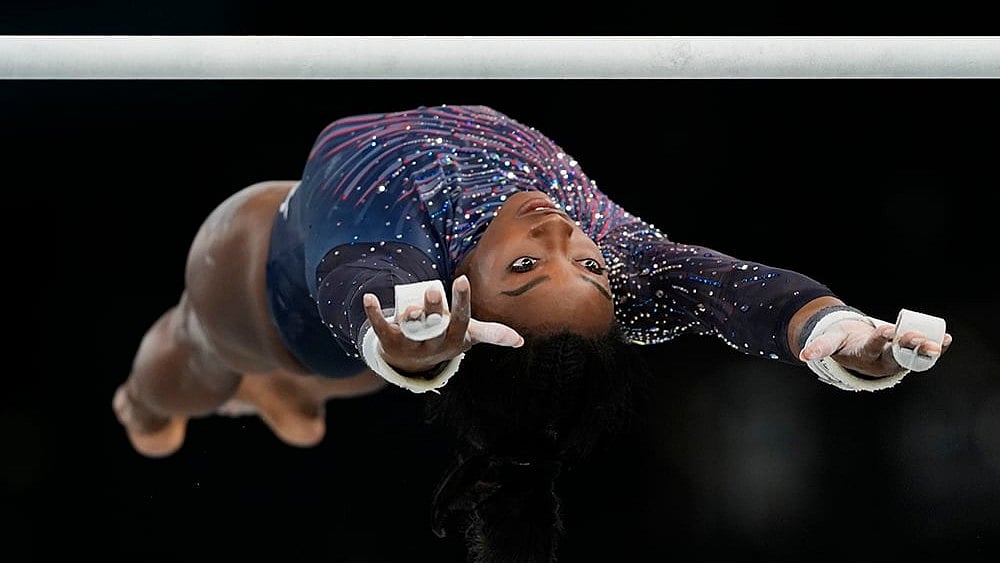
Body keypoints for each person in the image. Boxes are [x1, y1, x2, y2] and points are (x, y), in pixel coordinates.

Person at [112, 104, 952, 563]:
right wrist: (832, 331)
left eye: (522, 270)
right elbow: (730, 289)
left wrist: (396, 348)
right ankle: (303, 389)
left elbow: (357, 278)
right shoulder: (621, 259)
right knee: (338, 372)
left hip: (253, 298)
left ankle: (155, 397)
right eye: (586, 268)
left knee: (183, 369)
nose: (557, 235)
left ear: (463, 303)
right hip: (381, 346)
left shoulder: (391, 246)